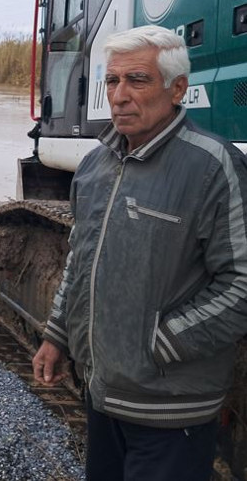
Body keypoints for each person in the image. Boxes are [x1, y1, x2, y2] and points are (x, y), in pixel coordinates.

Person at [32, 25, 247, 481]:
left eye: (138, 80)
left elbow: (241, 283)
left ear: (178, 89)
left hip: (171, 411)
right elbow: (80, 258)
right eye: (112, 81)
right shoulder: (95, 165)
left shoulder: (212, 166)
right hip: (104, 393)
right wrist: (57, 335)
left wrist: (157, 344)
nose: (120, 96)